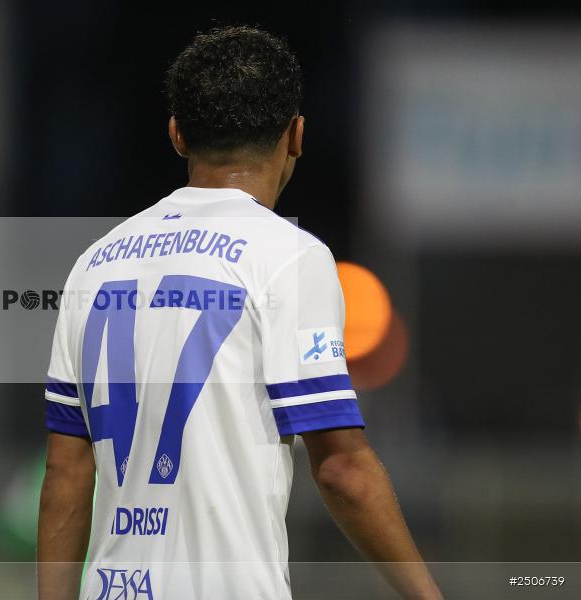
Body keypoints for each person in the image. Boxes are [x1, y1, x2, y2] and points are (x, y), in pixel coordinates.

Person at [37, 25, 442, 600]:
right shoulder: (290, 257)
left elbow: (66, 474)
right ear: (295, 135)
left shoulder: (95, 264)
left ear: (177, 135)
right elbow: (341, 469)